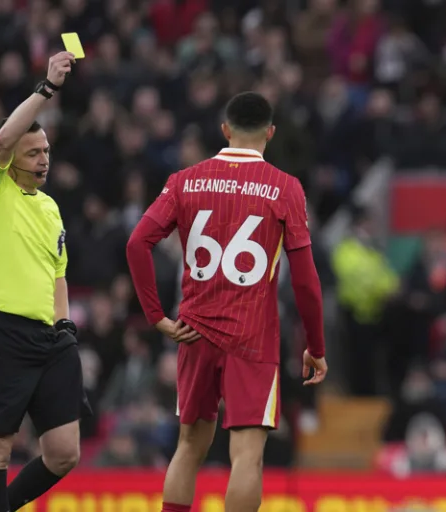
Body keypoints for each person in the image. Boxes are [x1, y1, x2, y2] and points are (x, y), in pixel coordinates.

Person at [126, 91, 328, 512]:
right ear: (270, 133)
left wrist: (156, 316)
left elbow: (137, 243)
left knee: (188, 447)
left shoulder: (184, 180)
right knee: (247, 456)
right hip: (252, 338)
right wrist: (316, 346)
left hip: (194, 331)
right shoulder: (285, 187)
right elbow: (306, 281)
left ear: (224, 130)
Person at [0, 52, 92, 512]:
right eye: (33, 152)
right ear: (10, 158)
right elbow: (4, 137)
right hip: (0, 331)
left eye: (46, 151)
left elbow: (57, 273)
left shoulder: (48, 207)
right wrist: (47, 88)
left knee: (65, 452)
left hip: (51, 339)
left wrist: (64, 327)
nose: (43, 159)